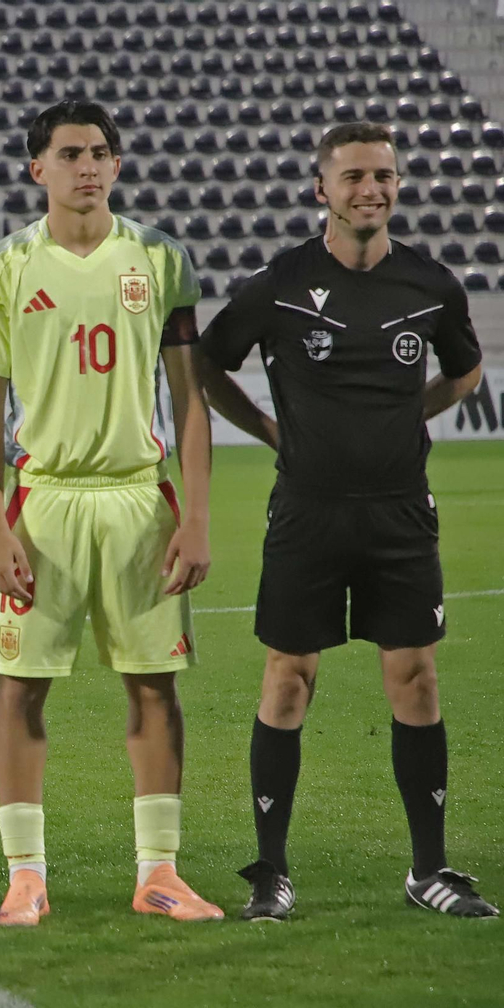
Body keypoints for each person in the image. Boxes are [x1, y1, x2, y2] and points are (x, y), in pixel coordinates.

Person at [198, 122, 494, 921]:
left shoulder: (431, 285)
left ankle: (427, 871)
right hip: (307, 512)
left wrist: (408, 416)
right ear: (320, 188)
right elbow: (207, 364)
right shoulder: (280, 283)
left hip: (401, 514)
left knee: (416, 678)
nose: (373, 189)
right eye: (356, 176)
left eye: (385, 176)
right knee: (289, 679)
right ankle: (271, 872)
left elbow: (464, 373)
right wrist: (268, 429)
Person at [0, 101, 222, 926]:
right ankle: (25, 877)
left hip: (140, 500)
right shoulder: (6, 268)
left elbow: (189, 401)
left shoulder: (159, 258)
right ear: (38, 168)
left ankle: (160, 874)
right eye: (71, 153)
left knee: (154, 687)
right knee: (19, 690)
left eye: (102, 152)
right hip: (46, 502)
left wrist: (198, 514)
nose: (90, 166)